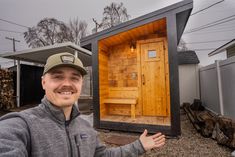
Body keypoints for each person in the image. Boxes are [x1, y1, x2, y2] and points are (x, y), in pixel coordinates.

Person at [0, 52, 165, 157]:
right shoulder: (22, 125)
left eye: (74, 77)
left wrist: (139, 146)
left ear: (80, 84)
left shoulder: (86, 127)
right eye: (58, 76)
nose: (67, 84)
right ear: (43, 82)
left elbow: (103, 155)